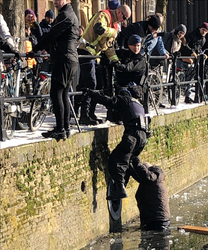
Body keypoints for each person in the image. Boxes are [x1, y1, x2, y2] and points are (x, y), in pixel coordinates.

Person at [86, 84, 149, 200]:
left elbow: (108, 101)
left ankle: (120, 188)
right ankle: (142, 182)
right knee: (128, 162)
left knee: (116, 161)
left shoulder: (125, 99)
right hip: (143, 137)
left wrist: (91, 93)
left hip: (132, 136)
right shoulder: (139, 105)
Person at [30, 0, 79, 140]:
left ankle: (60, 128)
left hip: (64, 59)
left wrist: (35, 50)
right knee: (63, 93)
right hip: (70, 59)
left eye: (59, 0)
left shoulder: (65, 15)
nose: (56, 2)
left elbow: (52, 35)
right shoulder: (69, 14)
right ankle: (65, 128)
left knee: (56, 93)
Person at [77, 4, 131, 125]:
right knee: (91, 83)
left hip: (94, 55)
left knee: (92, 84)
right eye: (125, 17)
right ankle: (84, 115)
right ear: (118, 12)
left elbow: (109, 47)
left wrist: (116, 62)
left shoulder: (114, 25)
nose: (125, 20)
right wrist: (112, 32)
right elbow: (98, 29)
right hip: (85, 51)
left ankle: (88, 112)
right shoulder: (104, 15)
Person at [130, 156, 170, 231]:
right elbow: (138, 175)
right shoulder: (154, 180)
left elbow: (142, 172)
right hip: (158, 220)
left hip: (157, 220)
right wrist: (129, 164)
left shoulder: (152, 178)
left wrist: (134, 156)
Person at [180, 22, 208, 103]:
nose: (204, 32)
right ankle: (187, 95)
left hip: (195, 59)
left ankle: (196, 95)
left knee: (194, 76)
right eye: (203, 30)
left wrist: (203, 54)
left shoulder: (203, 39)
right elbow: (184, 45)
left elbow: (199, 48)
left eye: (206, 31)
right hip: (186, 57)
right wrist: (191, 52)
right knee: (189, 76)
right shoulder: (191, 35)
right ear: (200, 28)